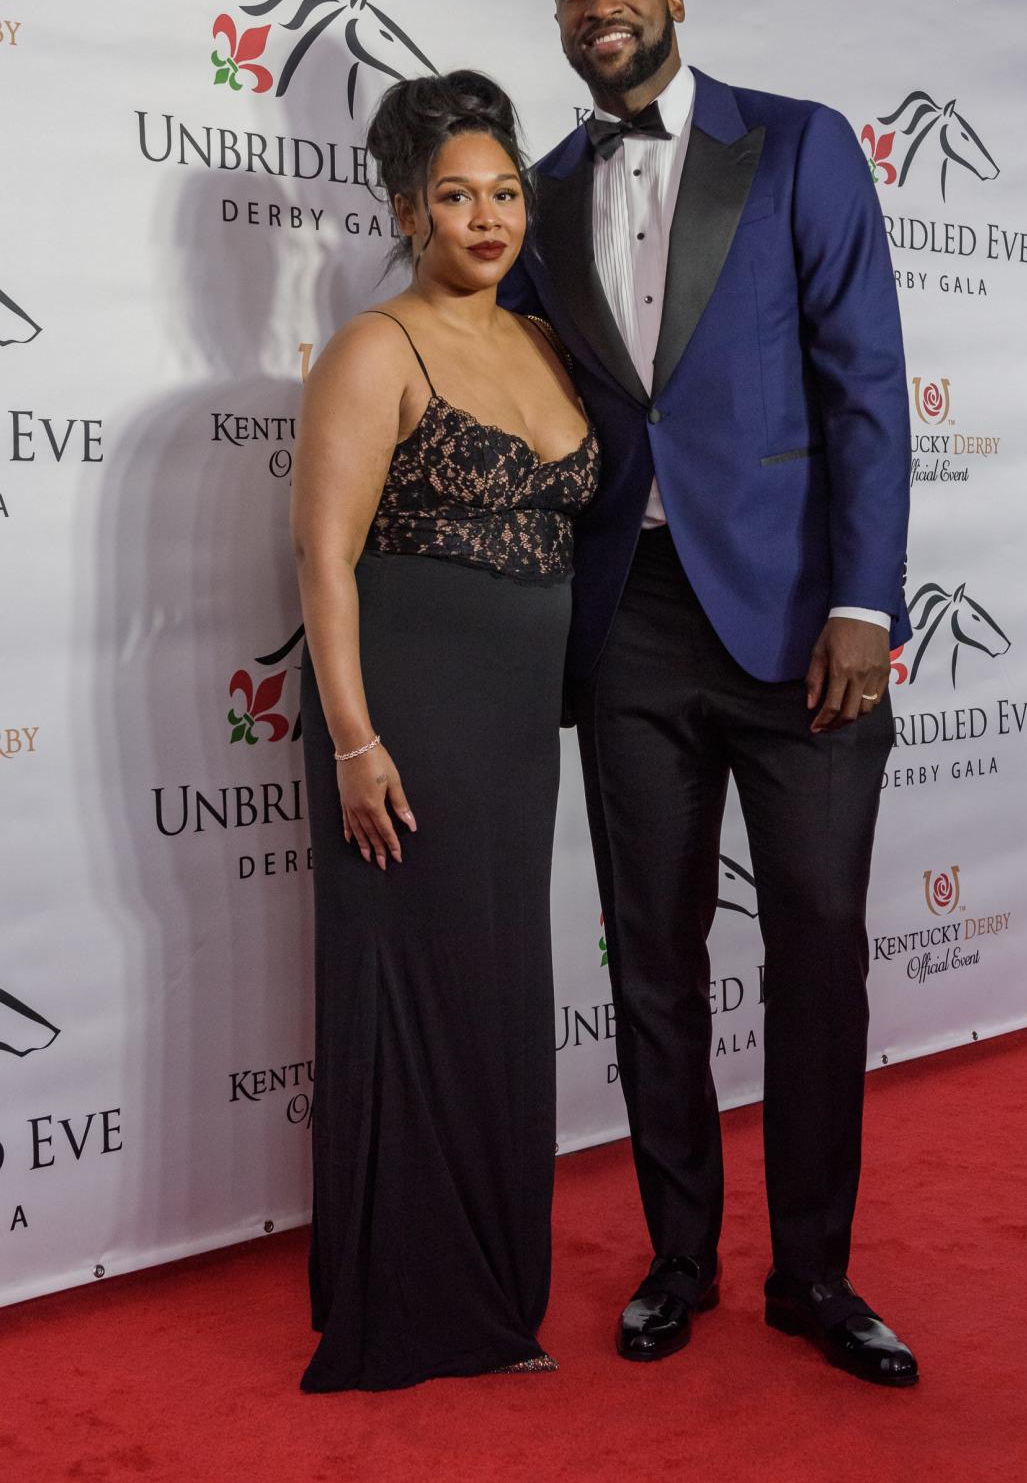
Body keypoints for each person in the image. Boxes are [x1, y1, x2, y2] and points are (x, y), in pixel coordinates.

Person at [499, 0, 918, 1387]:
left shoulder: (796, 146)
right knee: (653, 961)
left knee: (815, 945)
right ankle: (679, 1258)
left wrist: (865, 604)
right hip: (628, 623)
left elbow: (864, 379)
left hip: (802, 624)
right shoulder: (541, 195)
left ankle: (813, 1273)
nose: (595, 6)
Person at [290, 70, 598, 1391]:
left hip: (518, 727)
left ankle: (493, 1287)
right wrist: (354, 740)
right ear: (408, 210)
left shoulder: (540, 342)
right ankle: (411, 1308)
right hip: (404, 714)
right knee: (411, 990)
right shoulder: (376, 346)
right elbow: (321, 558)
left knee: (493, 989)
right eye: (456, 196)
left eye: (506, 192)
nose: (487, 216)